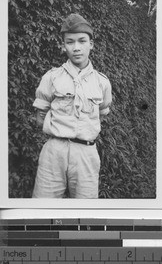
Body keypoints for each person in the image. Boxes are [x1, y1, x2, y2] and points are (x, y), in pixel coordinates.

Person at [32, 13, 112, 198]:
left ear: (91, 44)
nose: (76, 48)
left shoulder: (102, 82)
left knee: (85, 214)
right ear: (63, 46)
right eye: (70, 42)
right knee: (44, 209)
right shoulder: (51, 77)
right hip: (54, 153)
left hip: (86, 154)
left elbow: (100, 114)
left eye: (82, 41)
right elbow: (40, 117)